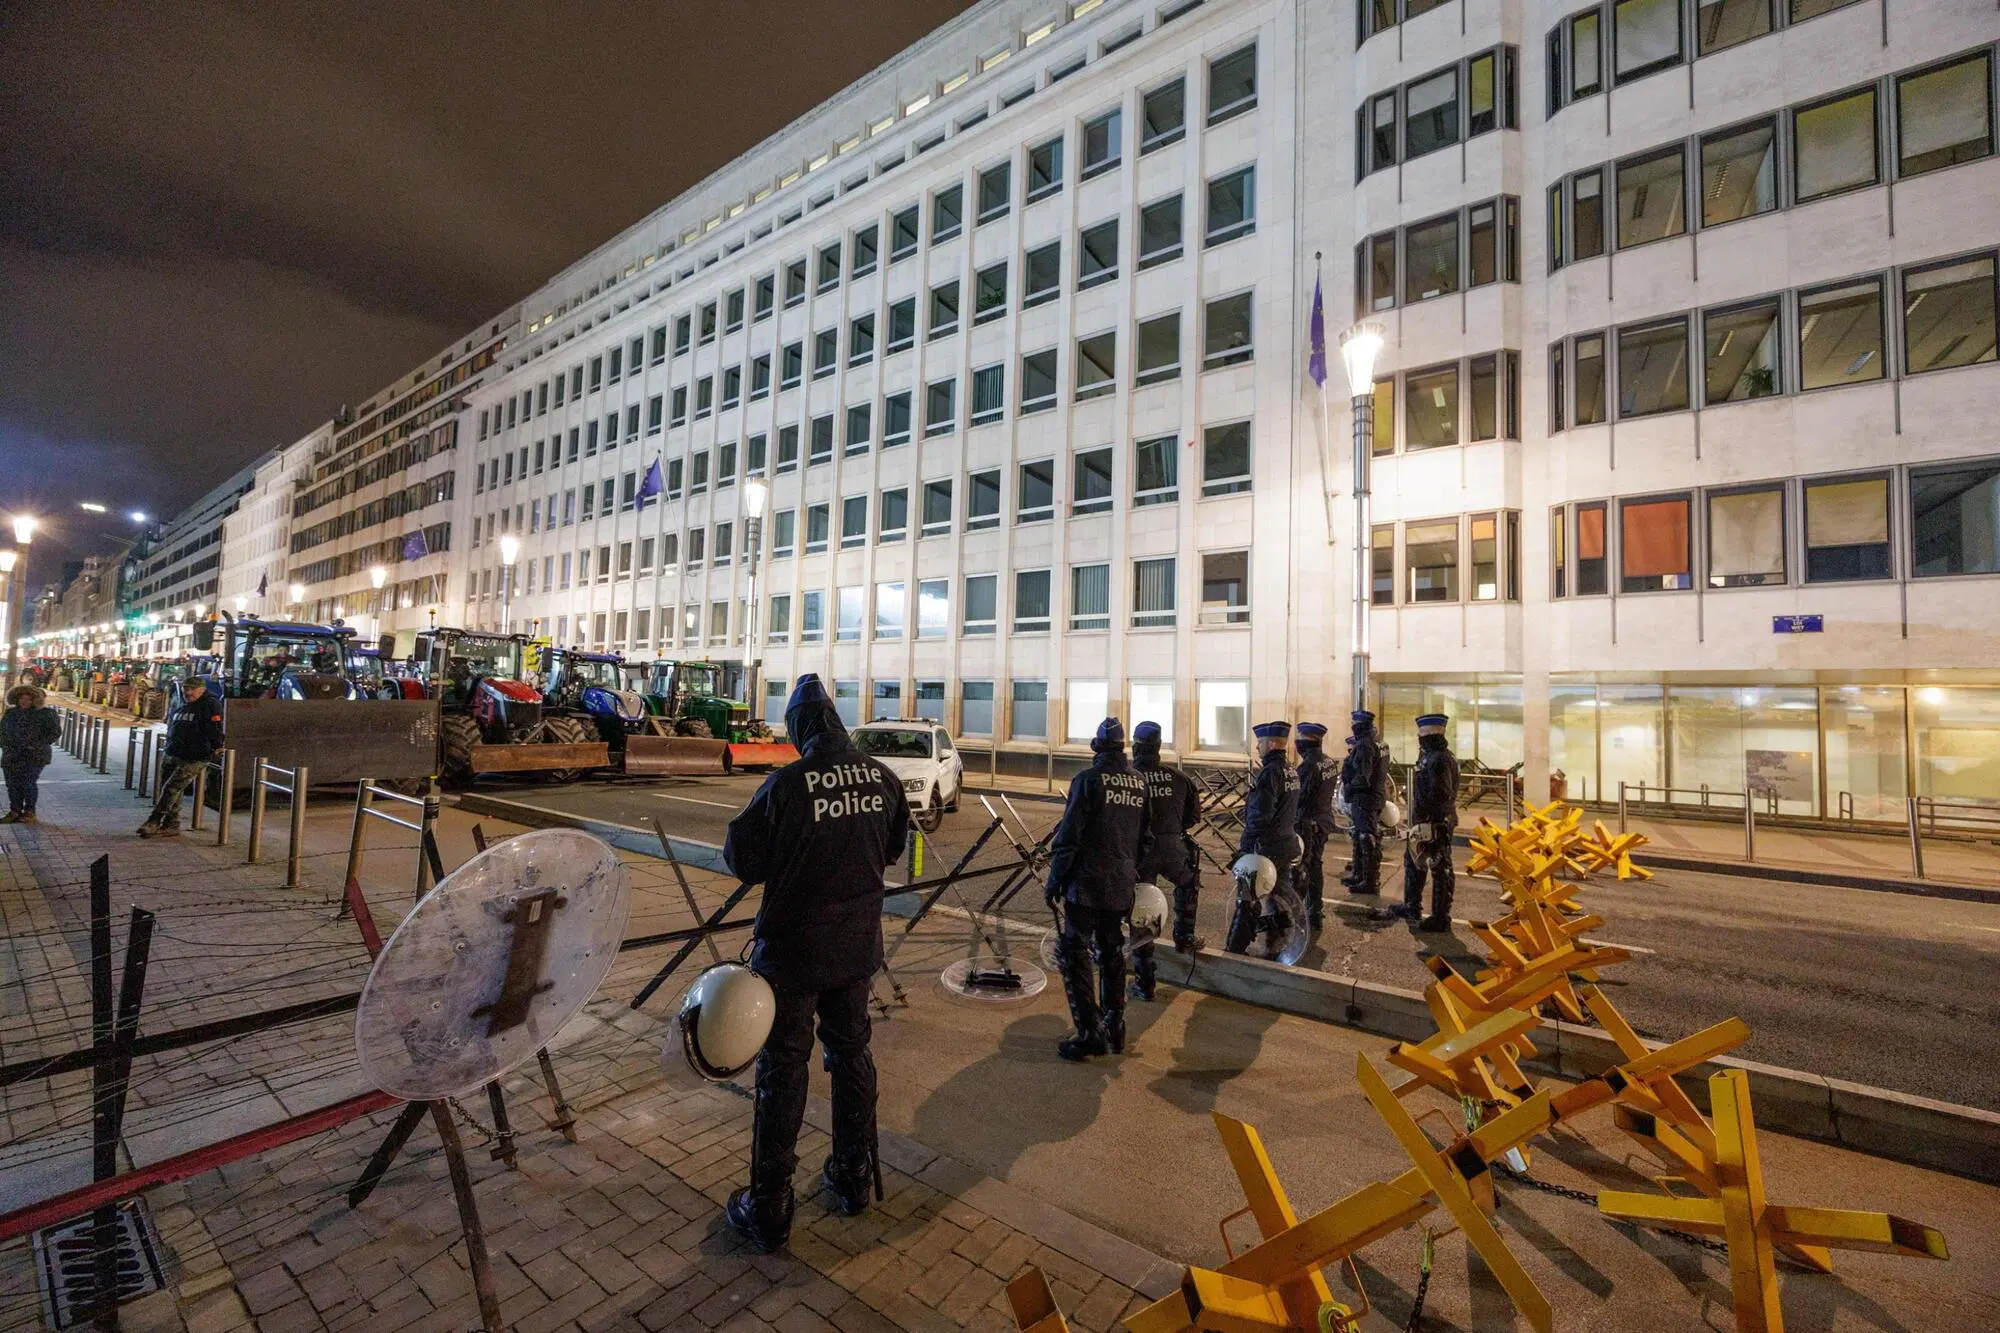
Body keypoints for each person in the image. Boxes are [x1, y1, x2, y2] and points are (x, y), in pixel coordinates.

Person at [720, 674, 910, 1252]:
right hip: (856, 948)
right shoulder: (882, 778)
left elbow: (742, 858)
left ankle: (771, 1205)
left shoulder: (787, 785)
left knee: (784, 1066)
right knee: (851, 1052)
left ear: (802, 728)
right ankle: (854, 1176)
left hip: (795, 952)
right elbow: (894, 847)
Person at [1047, 718, 1152, 1060]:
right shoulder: (1139, 783)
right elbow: (1144, 839)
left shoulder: (1087, 780)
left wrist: (1055, 880)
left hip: (1086, 885)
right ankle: (1115, 1026)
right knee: (1113, 952)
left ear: (1096, 748)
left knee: (1074, 954)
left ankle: (1089, 1032)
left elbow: (1069, 837)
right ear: (1123, 747)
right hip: (1120, 883)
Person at [1129, 719, 1203, 1000]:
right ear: (1159, 746)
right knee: (1188, 884)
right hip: (1173, 848)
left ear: (1136, 746)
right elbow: (1193, 817)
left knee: (1140, 911)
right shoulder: (1178, 777)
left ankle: (1144, 982)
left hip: (1140, 853)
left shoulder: (1129, 778)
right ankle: (1184, 937)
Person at [138, 676, 225, 838]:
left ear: (202, 689)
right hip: (174, 752)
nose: (188, 692)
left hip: (195, 755)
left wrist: (217, 747)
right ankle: (171, 824)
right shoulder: (184, 703)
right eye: (186, 688)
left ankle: (154, 821)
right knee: (170, 789)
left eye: (192, 689)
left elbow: (214, 728)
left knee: (172, 788)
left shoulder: (210, 704)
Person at [1400, 713, 1461, 931]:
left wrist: (1428, 820)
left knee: (1439, 867)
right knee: (1414, 862)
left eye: (1421, 734)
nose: (1419, 738)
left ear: (1428, 735)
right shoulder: (1438, 756)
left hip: (1434, 821)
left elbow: (1441, 793)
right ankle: (1412, 905)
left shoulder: (1438, 759)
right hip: (1428, 820)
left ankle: (1440, 917)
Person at [1238, 721, 1301, 913]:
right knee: (1277, 896)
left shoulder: (1270, 772)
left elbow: (1261, 814)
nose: (1257, 747)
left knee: (1247, 900)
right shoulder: (1290, 769)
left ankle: (1238, 943)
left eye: (1260, 742)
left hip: (1267, 847)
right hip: (1285, 843)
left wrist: (1246, 846)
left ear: (1271, 744)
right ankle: (1280, 936)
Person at [1293, 721, 1340, 933]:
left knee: (1304, 869)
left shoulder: (1308, 766)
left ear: (1308, 740)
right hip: (1322, 821)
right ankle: (1315, 911)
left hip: (1308, 824)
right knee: (1315, 866)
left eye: (1300, 737)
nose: (1297, 742)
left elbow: (1299, 798)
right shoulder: (1328, 762)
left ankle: (1299, 913)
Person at [1339, 711, 1393, 895]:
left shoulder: (1364, 745)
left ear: (1358, 725)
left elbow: (1363, 777)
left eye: (1353, 723)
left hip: (1364, 799)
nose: (1352, 726)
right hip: (1376, 797)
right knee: (1363, 836)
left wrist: (1348, 788)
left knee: (1366, 837)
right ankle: (1360, 875)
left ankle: (1369, 881)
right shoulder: (1381, 743)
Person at [1, 685, 63, 825]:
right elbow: (3, 731)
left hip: (34, 755)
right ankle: (15, 811)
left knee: (28, 782)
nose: (24, 701)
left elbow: (55, 732)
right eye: (22, 698)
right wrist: (5, 745)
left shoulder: (45, 713)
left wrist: (37, 744)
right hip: (12, 754)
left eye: (28, 699)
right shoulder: (11, 713)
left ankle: (30, 812)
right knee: (12, 784)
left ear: (34, 700)